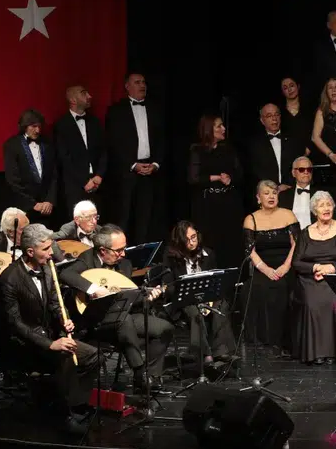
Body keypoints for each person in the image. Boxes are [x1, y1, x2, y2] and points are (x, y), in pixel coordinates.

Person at [0, 224, 100, 433]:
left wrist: (65, 319)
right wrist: (50, 344)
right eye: (45, 249)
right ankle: (63, 415)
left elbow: (55, 303)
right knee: (65, 356)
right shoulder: (10, 277)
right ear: (30, 251)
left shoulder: (47, 268)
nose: (51, 252)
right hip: (24, 342)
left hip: (49, 334)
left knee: (93, 355)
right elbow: (15, 323)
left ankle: (76, 405)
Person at [59, 224, 173, 392]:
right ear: (103, 250)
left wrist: (147, 298)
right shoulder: (87, 259)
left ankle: (152, 375)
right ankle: (140, 373)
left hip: (122, 317)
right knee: (123, 320)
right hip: (95, 321)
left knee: (164, 328)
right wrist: (94, 289)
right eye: (118, 250)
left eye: (124, 249)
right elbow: (65, 274)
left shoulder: (125, 265)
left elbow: (129, 297)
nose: (123, 254)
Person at [161, 221, 237, 369]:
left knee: (221, 304)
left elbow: (215, 281)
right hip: (184, 300)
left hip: (207, 297)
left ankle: (221, 351)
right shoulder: (171, 257)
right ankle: (204, 353)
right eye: (187, 240)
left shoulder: (208, 254)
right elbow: (169, 286)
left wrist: (209, 300)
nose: (191, 243)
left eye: (193, 237)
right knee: (195, 311)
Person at [292, 191, 336, 365]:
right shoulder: (305, 233)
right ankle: (315, 352)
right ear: (315, 211)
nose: (326, 208)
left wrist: (331, 268)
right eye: (321, 205)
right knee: (311, 302)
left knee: (335, 299)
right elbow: (296, 262)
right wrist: (315, 267)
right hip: (311, 278)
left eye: (328, 204)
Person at [105, 72, 168, 244]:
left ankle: (144, 255)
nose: (142, 85)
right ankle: (120, 253)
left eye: (144, 82)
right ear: (127, 86)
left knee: (146, 218)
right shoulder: (116, 111)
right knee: (124, 217)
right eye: (137, 82)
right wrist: (132, 165)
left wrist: (155, 164)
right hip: (127, 173)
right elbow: (113, 143)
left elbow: (162, 140)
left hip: (150, 172)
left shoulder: (155, 109)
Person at [241, 180, 299, 356]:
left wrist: (285, 267)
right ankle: (262, 340)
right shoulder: (251, 219)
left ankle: (283, 340)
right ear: (258, 198)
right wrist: (265, 269)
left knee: (283, 287)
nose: (271, 196)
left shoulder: (288, 215)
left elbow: (296, 245)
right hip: (263, 266)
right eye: (266, 193)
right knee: (253, 288)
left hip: (286, 264)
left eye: (274, 192)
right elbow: (250, 251)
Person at [187, 114, 244, 264]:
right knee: (210, 243)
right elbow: (193, 178)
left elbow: (240, 173)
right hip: (207, 204)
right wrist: (217, 177)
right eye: (219, 126)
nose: (223, 129)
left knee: (231, 242)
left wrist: (230, 178)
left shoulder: (228, 149)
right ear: (209, 129)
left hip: (228, 202)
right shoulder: (197, 150)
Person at [53, 84, 106, 218]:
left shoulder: (95, 122)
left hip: (98, 185)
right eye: (84, 93)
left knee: (98, 223)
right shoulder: (61, 125)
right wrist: (84, 181)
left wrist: (99, 175)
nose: (89, 96)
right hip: (74, 187)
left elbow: (104, 150)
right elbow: (64, 158)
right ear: (73, 100)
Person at [2, 109, 59, 226]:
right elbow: (12, 180)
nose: (38, 130)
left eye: (39, 126)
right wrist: (32, 204)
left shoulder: (48, 143)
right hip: (24, 209)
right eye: (33, 126)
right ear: (24, 126)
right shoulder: (12, 145)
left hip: (48, 209)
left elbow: (54, 174)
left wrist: (50, 200)